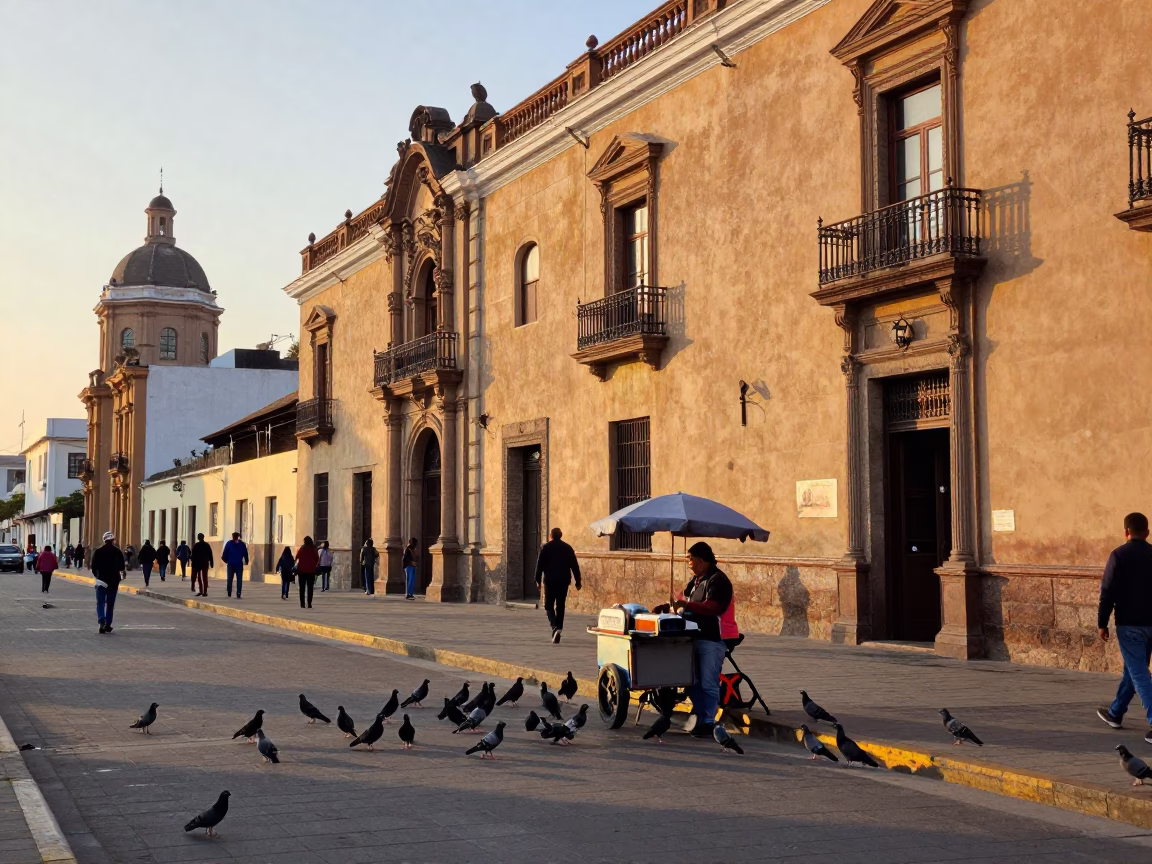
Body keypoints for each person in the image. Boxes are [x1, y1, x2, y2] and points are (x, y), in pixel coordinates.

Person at [655, 541, 733, 739]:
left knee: (708, 682)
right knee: (692, 681)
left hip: (713, 638)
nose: (688, 562)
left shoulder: (718, 580)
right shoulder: (696, 581)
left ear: (702, 560)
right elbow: (681, 600)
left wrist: (687, 605)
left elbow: (714, 608)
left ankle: (708, 721)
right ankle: (699, 714)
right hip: (693, 637)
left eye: (690, 559)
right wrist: (666, 607)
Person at [1097, 512, 1152, 742]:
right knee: (1134, 669)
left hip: (1129, 624)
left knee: (1139, 673)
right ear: (1147, 533)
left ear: (1126, 532)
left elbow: (1107, 592)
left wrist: (1102, 622)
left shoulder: (1119, 555)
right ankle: (1115, 713)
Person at [534, 528, 582, 644]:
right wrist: (578, 581)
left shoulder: (546, 548)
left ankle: (554, 626)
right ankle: (559, 628)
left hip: (550, 580)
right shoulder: (568, 548)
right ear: (561, 535)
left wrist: (537, 580)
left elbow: (539, 565)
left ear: (551, 536)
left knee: (548, 605)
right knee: (560, 605)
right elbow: (575, 566)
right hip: (563, 580)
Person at [90, 531, 126, 634]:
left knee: (100, 602)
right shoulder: (118, 552)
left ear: (104, 540)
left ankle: (101, 620)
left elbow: (94, 567)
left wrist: (97, 575)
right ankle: (108, 624)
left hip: (101, 580)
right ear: (113, 540)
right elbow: (121, 567)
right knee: (110, 604)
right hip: (113, 581)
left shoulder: (98, 551)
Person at [221, 532, 249, 599]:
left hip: (230, 564)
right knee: (239, 579)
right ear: (238, 537)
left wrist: (226, 561)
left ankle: (229, 592)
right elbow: (245, 553)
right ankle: (238, 593)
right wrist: (247, 561)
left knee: (229, 579)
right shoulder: (242, 544)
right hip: (239, 564)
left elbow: (224, 554)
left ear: (232, 536)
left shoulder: (229, 544)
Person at [295, 536, 319, 609]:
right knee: (310, 588)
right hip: (311, 571)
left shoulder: (302, 548)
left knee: (302, 588)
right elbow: (317, 558)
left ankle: (302, 604)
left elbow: (297, 557)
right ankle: (309, 603)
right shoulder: (313, 549)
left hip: (301, 571)